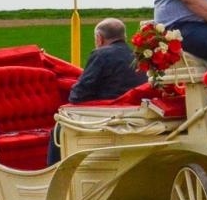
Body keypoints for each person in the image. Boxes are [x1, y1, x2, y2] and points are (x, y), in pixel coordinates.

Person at [47, 19, 150, 164]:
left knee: (59, 129)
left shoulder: (101, 55)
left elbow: (77, 96)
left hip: (106, 116)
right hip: (137, 115)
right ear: (124, 37)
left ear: (99, 39)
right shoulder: (139, 56)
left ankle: (53, 170)